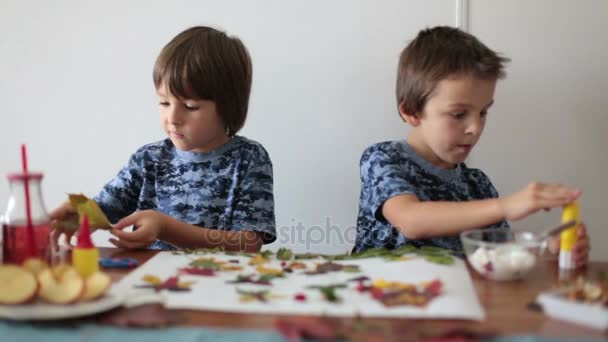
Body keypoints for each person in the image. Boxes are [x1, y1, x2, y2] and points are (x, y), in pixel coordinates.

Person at [353, 26, 589, 267]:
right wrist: (505, 206)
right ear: (412, 111)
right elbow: (410, 220)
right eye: (458, 114)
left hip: (451, 300)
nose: (475, 128)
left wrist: (548, 247)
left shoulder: (477, 184)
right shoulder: (383, 159)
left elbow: (498, 251)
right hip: (377, 298)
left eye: (483, 112)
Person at [51, 26, 275, 252]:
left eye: (190, 106)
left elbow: (248, 243)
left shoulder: (249, 159)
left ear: (229, 107)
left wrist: (167, 229)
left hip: (218, 281)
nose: (173, 118)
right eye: (164, 103)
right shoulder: (148, 159)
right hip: (152, 282)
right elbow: (104, 208)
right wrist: (80, 213)